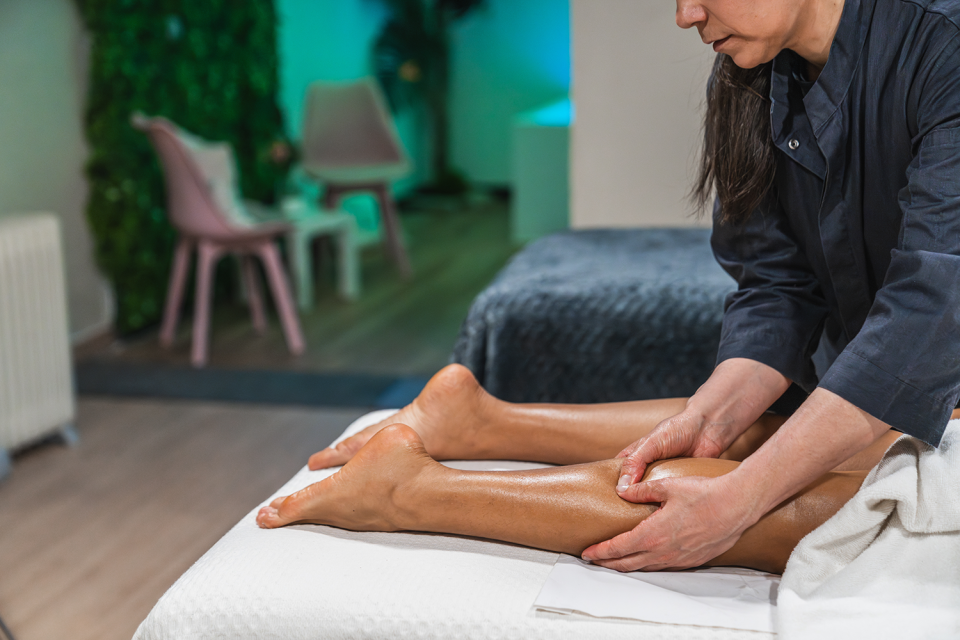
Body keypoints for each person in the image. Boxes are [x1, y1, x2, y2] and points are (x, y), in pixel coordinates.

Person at [261, 0, 960, 572]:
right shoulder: (751, 73)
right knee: (732, 444)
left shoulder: (945, 47)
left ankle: (416, 491)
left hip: (939, 386)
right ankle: (474, 422)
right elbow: (779, 284)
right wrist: (709, 417)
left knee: (859, 504)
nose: (686, 15)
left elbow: (925, 319)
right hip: (912, 387)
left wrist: (741, 501)